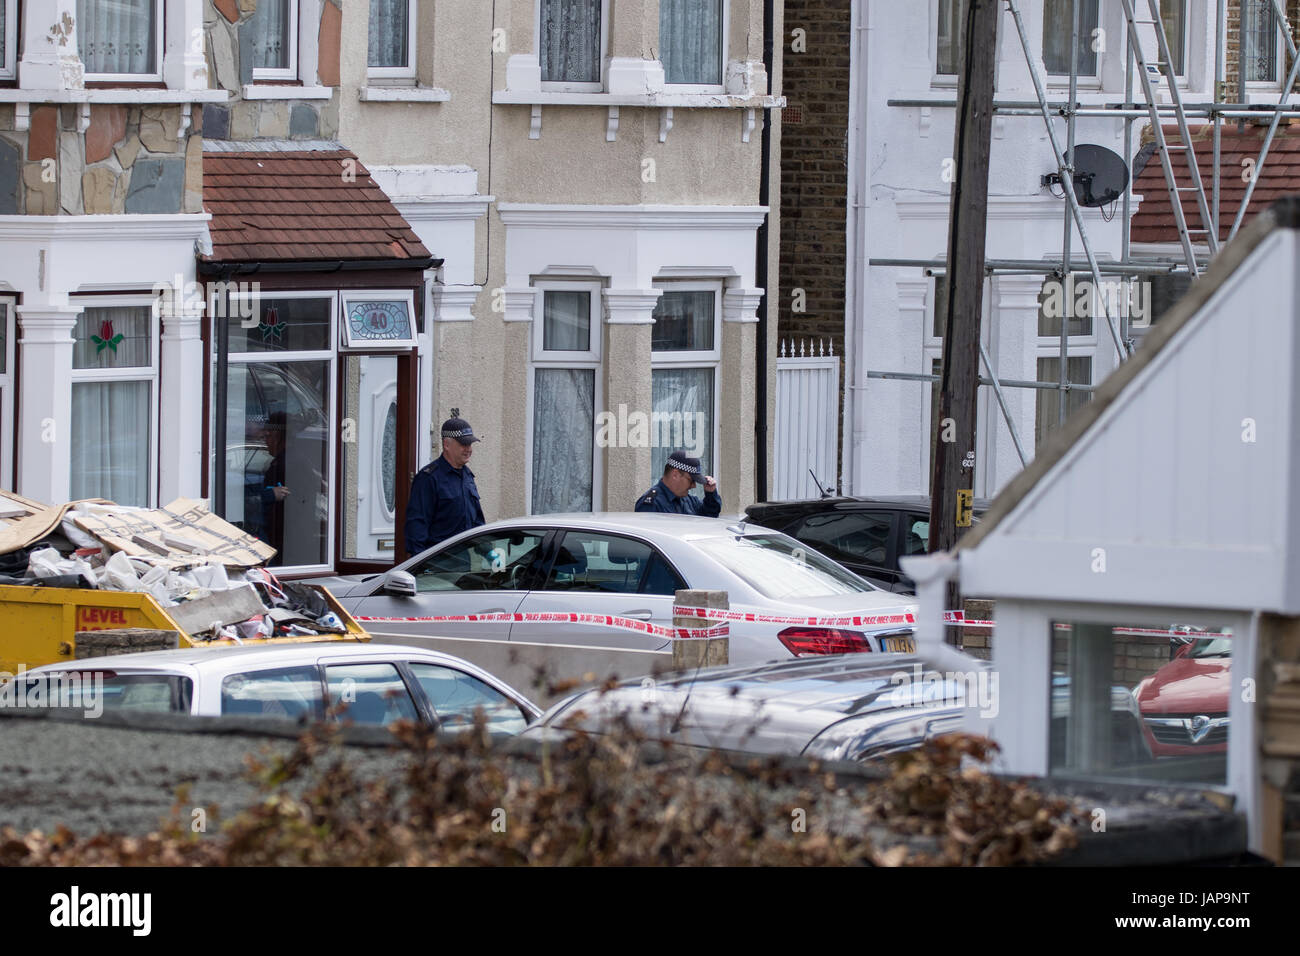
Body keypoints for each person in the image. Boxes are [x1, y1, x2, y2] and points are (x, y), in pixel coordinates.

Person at [403, 416, 486, 556]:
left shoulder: (467, 476)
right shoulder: (429, 478)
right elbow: (416, 526)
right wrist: (421, 565)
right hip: (437, 565)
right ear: (447, 444)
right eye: (463, 444)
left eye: (470, 444)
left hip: (463, 563)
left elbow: (476, 521)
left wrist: (489, 551)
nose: (468, 449)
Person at [635, 450, 721, 516]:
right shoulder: (652, 503)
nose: (694, 486)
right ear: (675, 475)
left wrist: (710, 493)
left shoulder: (688, 500)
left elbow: (710, 515)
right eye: (691, 481)